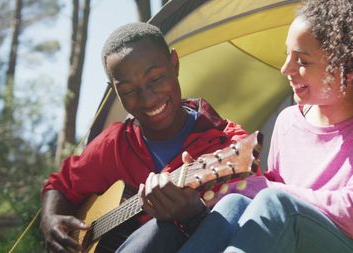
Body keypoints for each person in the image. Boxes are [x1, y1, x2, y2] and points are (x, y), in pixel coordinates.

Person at [136, 0, 353, 253]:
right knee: (233, 205)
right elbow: (262, 199)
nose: (285, 69)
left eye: (301, 60)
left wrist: (263, 188)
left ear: (349, 66)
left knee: (276, 202)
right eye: (287, 55)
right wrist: (206, 199)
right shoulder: (289, 121)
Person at [39, 22, 249, 253]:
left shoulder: (228, 143)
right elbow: (60, 184)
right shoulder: (114, 145)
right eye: (128, 91)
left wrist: (194, 215)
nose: (148, 99)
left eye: (156, 78)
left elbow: (250, 228)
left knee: (164, 231)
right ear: (115, 91)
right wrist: (50, 219)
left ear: (175, 64)